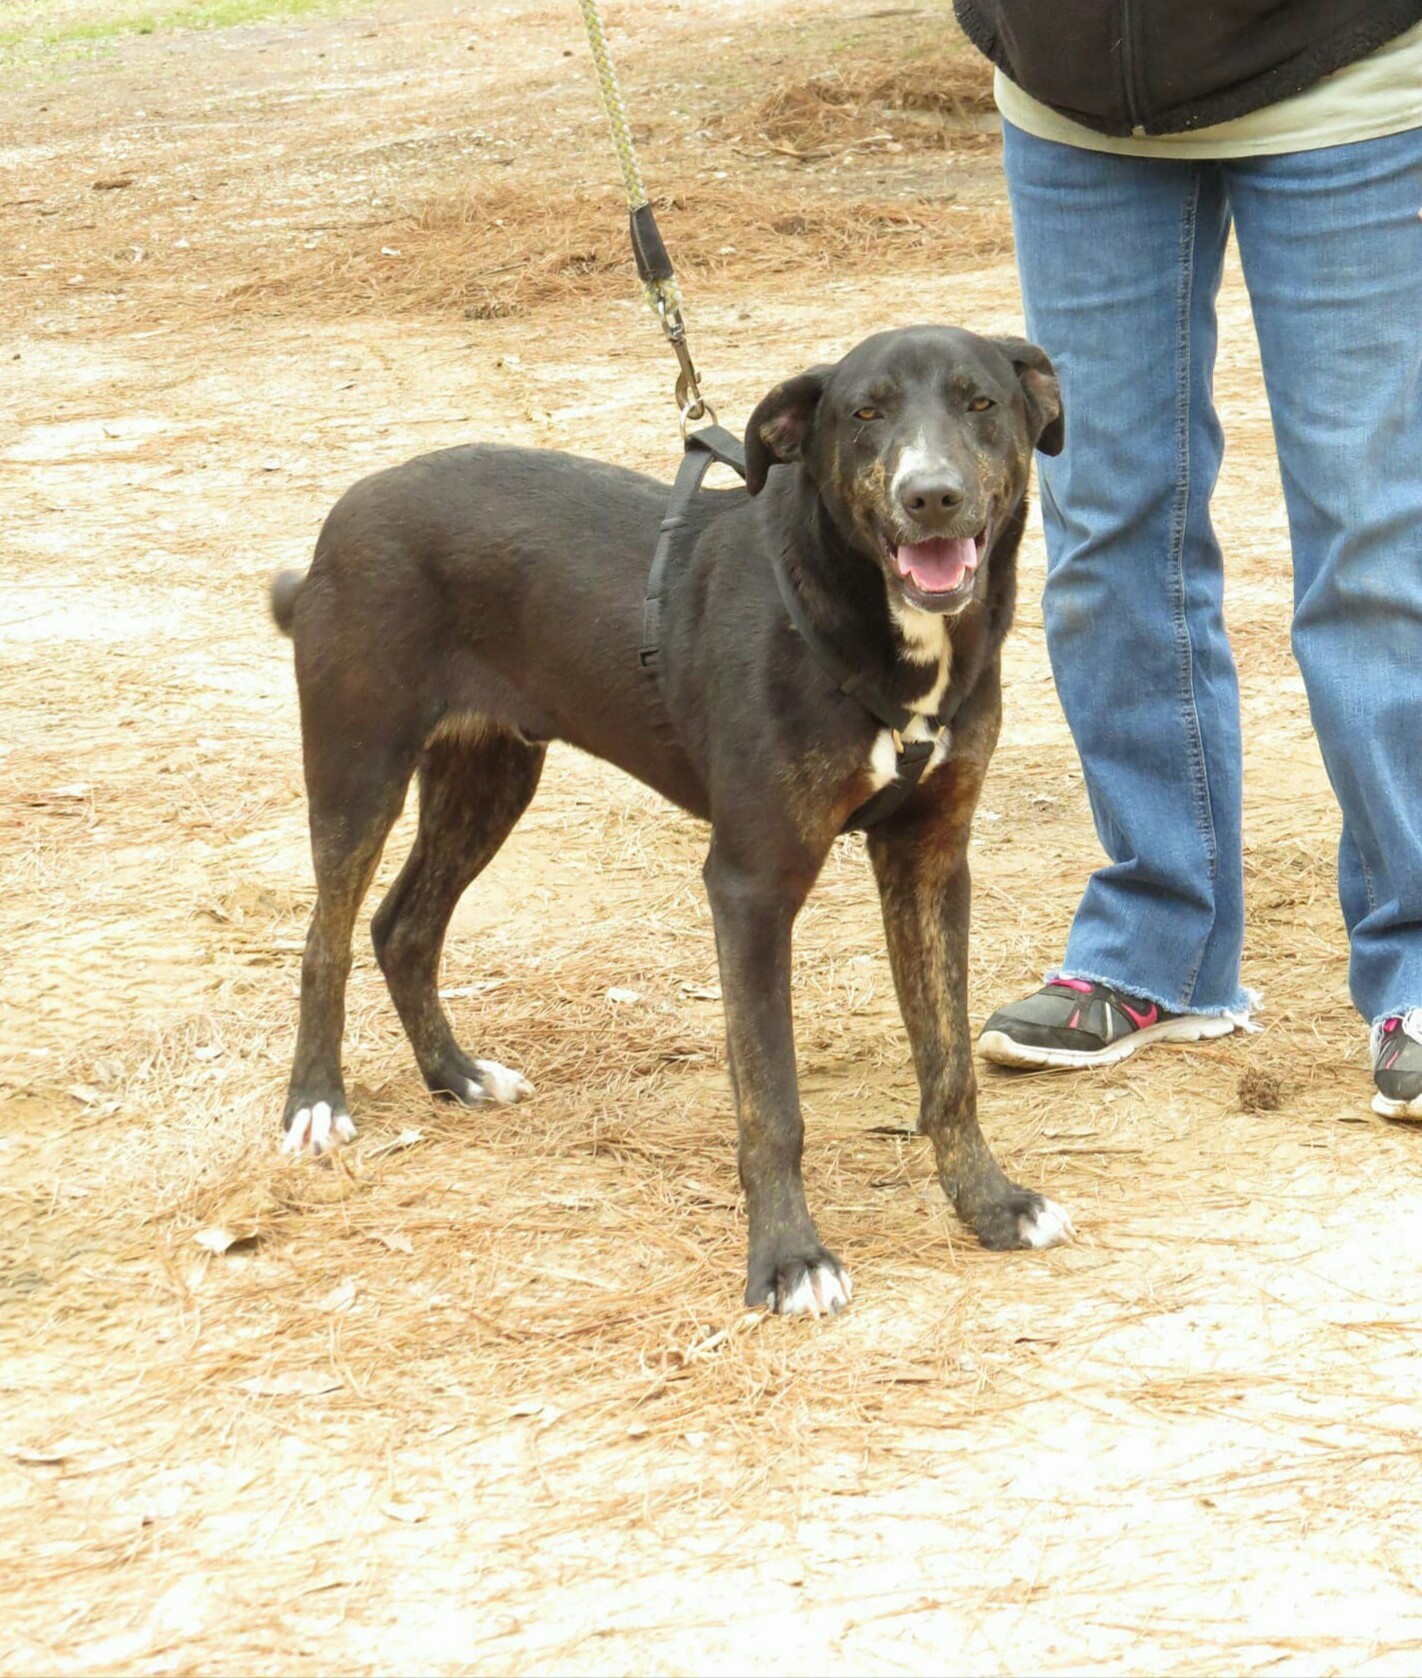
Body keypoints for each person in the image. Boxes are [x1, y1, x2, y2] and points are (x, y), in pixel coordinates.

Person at [950, 2, 1422, 1114]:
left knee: (1371, 537)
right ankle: (1160, 941)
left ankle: (1416, 957)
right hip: (1071, 92)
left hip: (1340, 68)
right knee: (1102, 525)